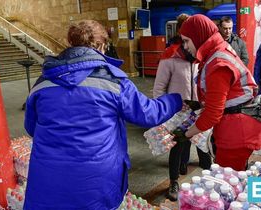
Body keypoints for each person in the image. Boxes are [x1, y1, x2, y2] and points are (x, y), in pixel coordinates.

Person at [23, 20, 182, 209]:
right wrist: (176, 100)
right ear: (100, 45)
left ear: (71, 43)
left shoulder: (42, 82)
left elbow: (31, 127)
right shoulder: (114, 82)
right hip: (96, 180)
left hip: (48, 178)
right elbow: (149, 114)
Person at [178, 14, 261, 171]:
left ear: (198, 37)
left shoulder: (218, 63)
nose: (184, 46)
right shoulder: (216, 52)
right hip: (237, 125)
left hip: (236, 131)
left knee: (229, 179)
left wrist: (185, 134)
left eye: (186, 40)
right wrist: (203, 103)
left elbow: (213, 114)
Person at [153, 13, 211, 201]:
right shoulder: (170, 56)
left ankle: (209, 176)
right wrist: (164, 114)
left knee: (204, 145)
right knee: (177, 146)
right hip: (178, 111)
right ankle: (173, 181)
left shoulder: (199, 54)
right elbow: (159, 89)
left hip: (199, 109)